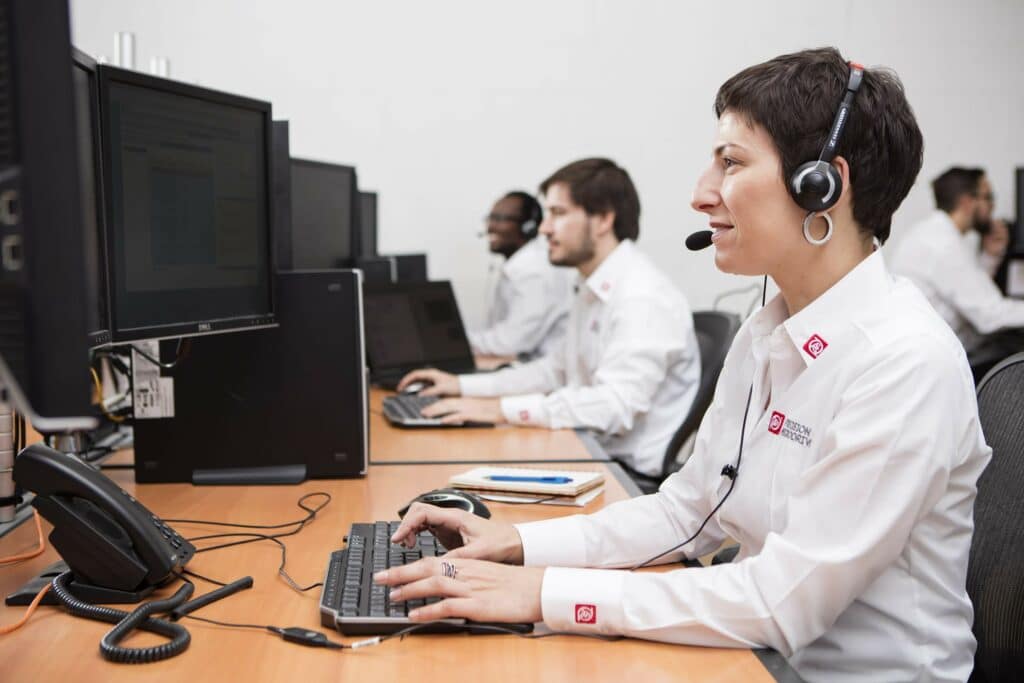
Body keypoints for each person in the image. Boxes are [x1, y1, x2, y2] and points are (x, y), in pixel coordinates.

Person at [376, 49, 991, 683]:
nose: (702, 194)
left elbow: (780, 603)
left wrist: (542, 594)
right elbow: (687, 513)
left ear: (822, 186)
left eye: (731, 163)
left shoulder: (902, 361)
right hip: (758, 658)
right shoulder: (768, 330)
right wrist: (518, 545)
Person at [398, 158, 701, 478]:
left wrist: (496, 409)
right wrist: (461, 386)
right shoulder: (592, 287)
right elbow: (552, 371)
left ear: (602, 220)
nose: (543, 229)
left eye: (557, 213)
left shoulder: (642, 296)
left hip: (622, 474)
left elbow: (613, 407)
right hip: (588, 450)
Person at [889, 167, 1024, 379]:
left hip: (927, 353)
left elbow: (973, 295)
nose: (993, 206)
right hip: (935, 364)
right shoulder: (944, 245)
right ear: (967, 202)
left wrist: (990, 256)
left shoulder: (932, 233)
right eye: (988, 197)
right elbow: (990, 316)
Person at [467, 191, 573, 359]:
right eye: (490, 218)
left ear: (528, 227)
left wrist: (458, 343)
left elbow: (510, 343)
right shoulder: (519, 266)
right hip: (528, 367)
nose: (490, 227)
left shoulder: (534, 271)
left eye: (499, 219)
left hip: (543, 373)